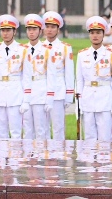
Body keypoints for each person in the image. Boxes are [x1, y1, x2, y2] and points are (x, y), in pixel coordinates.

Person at [75, 16, 112, 141]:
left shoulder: (111, 54)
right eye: (92, 33)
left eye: (98, 33)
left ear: (103, 34)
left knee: (104, 137)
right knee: (89, 136)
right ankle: (90, 160)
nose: (95, 36)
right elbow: (79, 80)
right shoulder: (82, 55)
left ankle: (103, 160)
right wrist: (79, 102)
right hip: (88, 98)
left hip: (105, 98)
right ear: (89, 34)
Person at [0, 14, 23, 139]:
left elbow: (26, 76)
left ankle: (16, 158)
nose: (5, 33)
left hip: (16, 94)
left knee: (16, 131)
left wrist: (26, 99)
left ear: (14, 31)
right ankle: (1, 158)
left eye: (8, 30)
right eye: (3, 30)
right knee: (0, 132)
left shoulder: (22, 49)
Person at [40, 10, 74, 141]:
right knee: (42, 127)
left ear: (58, 29)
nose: (49, 30)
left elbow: (69, 72)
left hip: (58, 91)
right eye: (47, 27)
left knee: (58, 126)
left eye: (53, 27)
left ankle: (59, 154)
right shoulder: (38, 47)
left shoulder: (64, 48)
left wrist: (69, 95)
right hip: (41, 91)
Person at [20, 13, 48, 139]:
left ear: (40, 31)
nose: (31, 32)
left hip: (40, 91)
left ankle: (41, 156)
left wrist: (50, 96)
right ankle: (28, 157)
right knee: (27, 128)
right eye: (29, 29)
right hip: (24, 92)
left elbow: (51, 75)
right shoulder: (21, 50)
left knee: (41, 128)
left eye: (34, 29)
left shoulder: (47, 50)